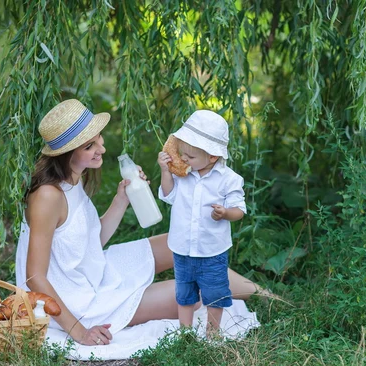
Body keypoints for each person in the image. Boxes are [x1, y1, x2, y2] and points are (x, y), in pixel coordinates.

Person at [15, 99, 261, 347]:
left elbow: (88, 243)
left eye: (98, 138)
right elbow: (34, 277)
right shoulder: (47, 196)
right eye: (90, 146)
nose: (101, 147)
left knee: (178, 241)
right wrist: (80, 331)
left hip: (92, 272)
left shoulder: (73, 180)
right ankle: (263, 297)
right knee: (193, 293)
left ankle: (263, 294)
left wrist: (122, 199)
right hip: (78, 301)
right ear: (67, 153)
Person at [157, 110, 246, 338]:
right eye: (182, 153)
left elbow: (239, 211)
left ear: (213, 157)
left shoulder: (228, 179)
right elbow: (168, 195)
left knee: (215, 292)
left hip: (211, 250)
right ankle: (185, 332)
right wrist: (165, 171)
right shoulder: (181, 175)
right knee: (184, 292)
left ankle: (212, 331)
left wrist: (225, 213)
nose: (184, 159)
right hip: (182, 247)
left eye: (190, 156)